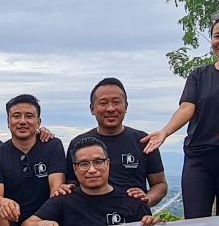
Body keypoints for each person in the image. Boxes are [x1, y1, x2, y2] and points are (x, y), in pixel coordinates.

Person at [143, 10, 219, 217]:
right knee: (194, 221)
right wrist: (165, 132)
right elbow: (187, 108)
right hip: (198, 159)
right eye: (217, 36)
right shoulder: (199, 75)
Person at [19, 137, 160, 226]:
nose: (92, 170)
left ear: (108, 164)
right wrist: (42, 225)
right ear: (75, 168)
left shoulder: (133, 201)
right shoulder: (63, 200)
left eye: (98, 162)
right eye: (84, 164)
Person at [63, 78, 167, 207]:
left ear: (126, 106)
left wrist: (145, 201)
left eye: (116, 102)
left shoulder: (143, 141)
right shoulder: (78, 144)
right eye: (103, 103)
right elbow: (71, 183)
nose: (110, 109)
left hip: (133, 216)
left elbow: (159, 184)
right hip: (90, 215)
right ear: (92, 109)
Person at [0, 94, 67, 226]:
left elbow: (56, 188)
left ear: (38, 122)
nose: (22, 121)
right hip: (12, 220)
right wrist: (2, 202)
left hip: (44, 217)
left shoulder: (53, 145)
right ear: (8, 122)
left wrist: (40, 219)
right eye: (16, 116)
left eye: (29, 116)